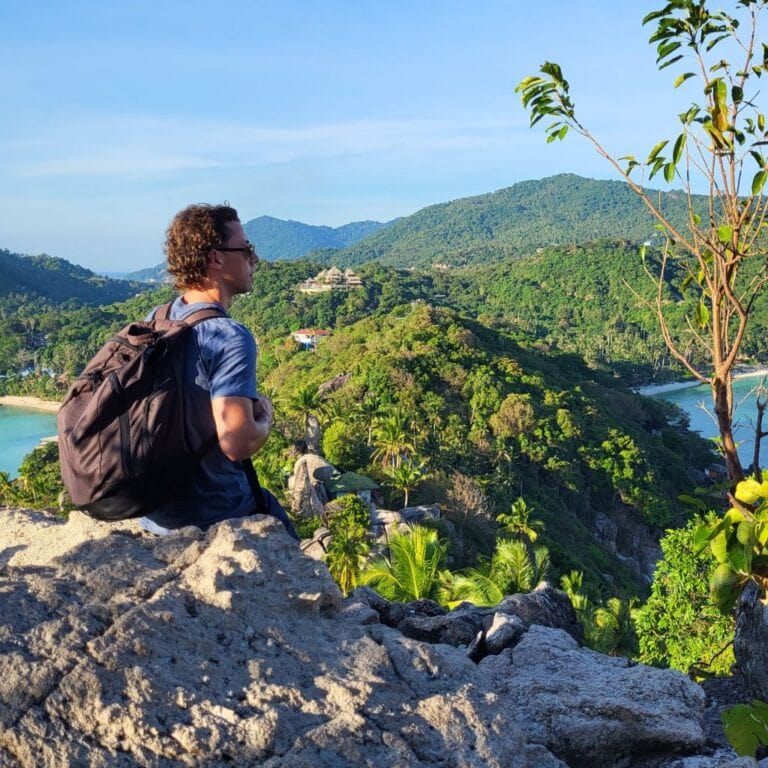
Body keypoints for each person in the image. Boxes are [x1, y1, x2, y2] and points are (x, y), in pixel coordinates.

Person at [138, 203, 297, 539]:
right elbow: (237, 443)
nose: (254, 260)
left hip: (154, 513)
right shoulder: (229, 336)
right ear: (216, 259)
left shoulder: (158, 317)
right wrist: (265, 417)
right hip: (213, 513)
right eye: (247, 249)